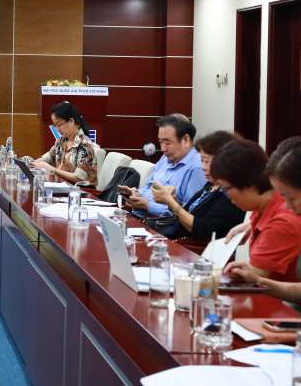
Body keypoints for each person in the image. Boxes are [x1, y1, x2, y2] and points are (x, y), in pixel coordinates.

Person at [213, 139, 301, 283]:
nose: (226, 195)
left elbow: (256, 277)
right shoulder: (267, 205)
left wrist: (243, 274)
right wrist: (249, 225)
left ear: (248, 184)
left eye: (225, 188)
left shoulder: (284, 220)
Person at [149, 130, 245, 239]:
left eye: (207, 161)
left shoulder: (229, 194)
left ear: (225, 162)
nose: (203, 167)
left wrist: (171, 202)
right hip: (175, 237)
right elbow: (189, 214)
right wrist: (173, 201)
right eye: (202, 160)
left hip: (192, 246)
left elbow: (204, 230)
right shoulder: (210, 185)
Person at [120, 114, 206, 218]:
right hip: (141, 217)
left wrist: (148, 206)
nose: (163, 149)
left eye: (167, 143)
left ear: (185, 140)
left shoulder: (197, 168)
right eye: (160, 142)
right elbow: (148, 187)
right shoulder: (166, 158)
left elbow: (189, 214)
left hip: (163, 225)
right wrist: (136, 194)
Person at [28, 101, 97, 185]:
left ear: (71, 121)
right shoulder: (61, 141)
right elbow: (47, 158)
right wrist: (31, 164)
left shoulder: (85, 145)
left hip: (80, 190)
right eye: (55, 125)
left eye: (59, 125)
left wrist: (52, 170)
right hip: (60, 187)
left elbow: (78, 178)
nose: (57, 129)